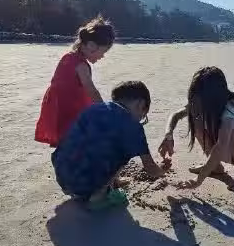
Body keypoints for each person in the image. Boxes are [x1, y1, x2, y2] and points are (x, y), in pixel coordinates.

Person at [52, 80, 166, 210]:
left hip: (62, 174)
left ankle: (104, 184)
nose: (140, 119)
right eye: (143, 115)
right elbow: (151, 169)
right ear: (140, 104)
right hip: (84, 185)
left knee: (102, 145)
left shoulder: (93, 108)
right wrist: (163, 169)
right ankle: (97, 197)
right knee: (123, 149)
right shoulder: (133, 127)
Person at [159, 66, 234, 191]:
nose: (196, 101)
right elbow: (176, 115)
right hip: (229, 147)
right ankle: (216, 167)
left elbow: (220, 147)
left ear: (212, 97)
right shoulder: (205, 104)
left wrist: (198, 180)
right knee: (195, 117)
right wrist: (168, 135)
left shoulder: (230, 111)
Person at [35, 16, 115, 148]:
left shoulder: (68, 57)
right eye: (103, 51)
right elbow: (91, 90)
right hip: (70, 109)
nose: (102, 56)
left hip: (59, 106)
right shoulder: (81, 65)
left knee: (66, 141)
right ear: (91, 45)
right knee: (75, 140)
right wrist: (105, 110)